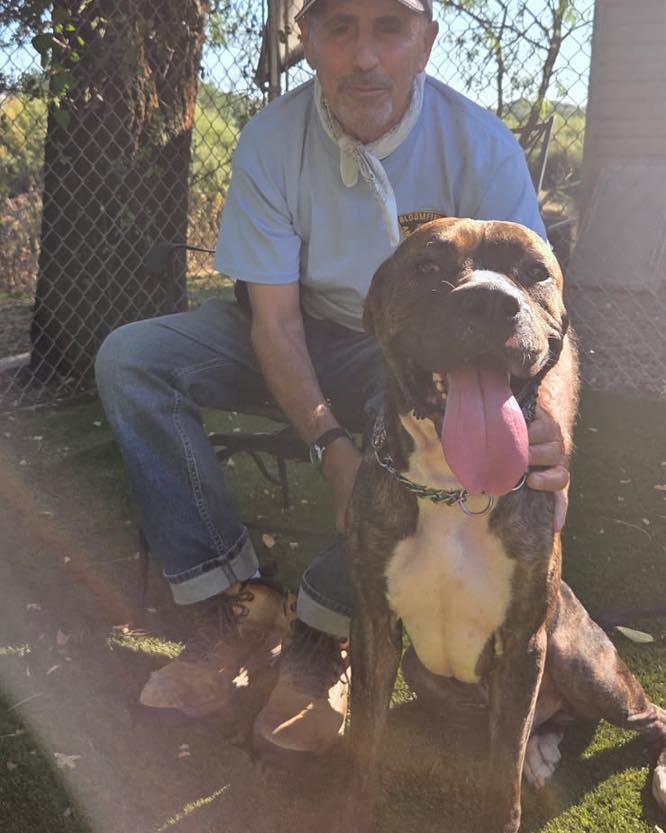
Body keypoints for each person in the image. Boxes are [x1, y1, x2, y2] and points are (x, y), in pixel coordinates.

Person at [95, 0, 570, 758]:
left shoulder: (479, 143)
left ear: (426, 41)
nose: (364, 56)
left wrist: (552, 426)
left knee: (416, 416)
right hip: (294, 324)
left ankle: (324, 629)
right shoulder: (273, 138)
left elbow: (545, 302)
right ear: (306, 38)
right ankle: (233, 604)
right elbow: (275, 322)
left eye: (390, 26)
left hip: (415, 347)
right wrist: (332, 450)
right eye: (338, 26)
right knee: (131, 358)